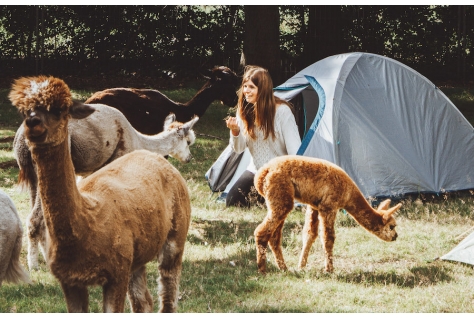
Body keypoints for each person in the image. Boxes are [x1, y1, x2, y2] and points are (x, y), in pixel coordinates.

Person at [225, 65, 301, 207]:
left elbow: (295, 151)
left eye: (251, 87)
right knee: (232, 201)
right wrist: (235, 131)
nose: (246, 91)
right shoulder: (243, 110)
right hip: (256, 170)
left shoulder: (282, 112)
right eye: (245, 86)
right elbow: (239, 148)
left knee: (276, 205)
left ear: (263, 89)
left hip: (279, 172)